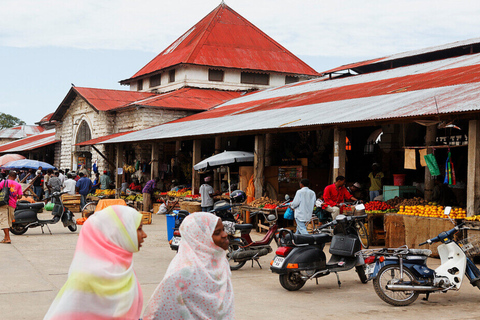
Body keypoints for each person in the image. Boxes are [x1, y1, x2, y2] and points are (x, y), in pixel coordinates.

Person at [44, 205, 147, 320]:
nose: (144, 235)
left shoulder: (124, 270)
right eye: (139, 229)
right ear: (117, 233)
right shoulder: (85, 279)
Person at [143, 212, 233, 320]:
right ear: (200, 239)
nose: (225, 234)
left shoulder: (220, 263)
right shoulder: (181, 274)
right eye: (217, 232)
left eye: (223, 229)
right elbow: (158, 311)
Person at [0, 171, 23, 244]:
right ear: (16, 177)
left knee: (4, 220)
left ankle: (8, 238)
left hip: (3, 203)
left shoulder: (3, 182)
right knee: (9, 221)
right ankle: (5, 237)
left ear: (8, 175)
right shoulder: (18, 185)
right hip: (12, 204)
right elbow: (20, 196)